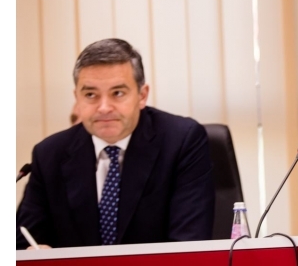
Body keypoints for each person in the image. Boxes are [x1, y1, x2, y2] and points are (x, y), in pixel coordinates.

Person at [17, 39, 215, 249]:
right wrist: (32, 253)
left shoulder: (181, 141)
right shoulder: (49, 154)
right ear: (77, 98)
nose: (104, 107)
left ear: (142, 95)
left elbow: (188, 245)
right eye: (90, 95)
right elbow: (21, 242)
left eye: (118, 93)